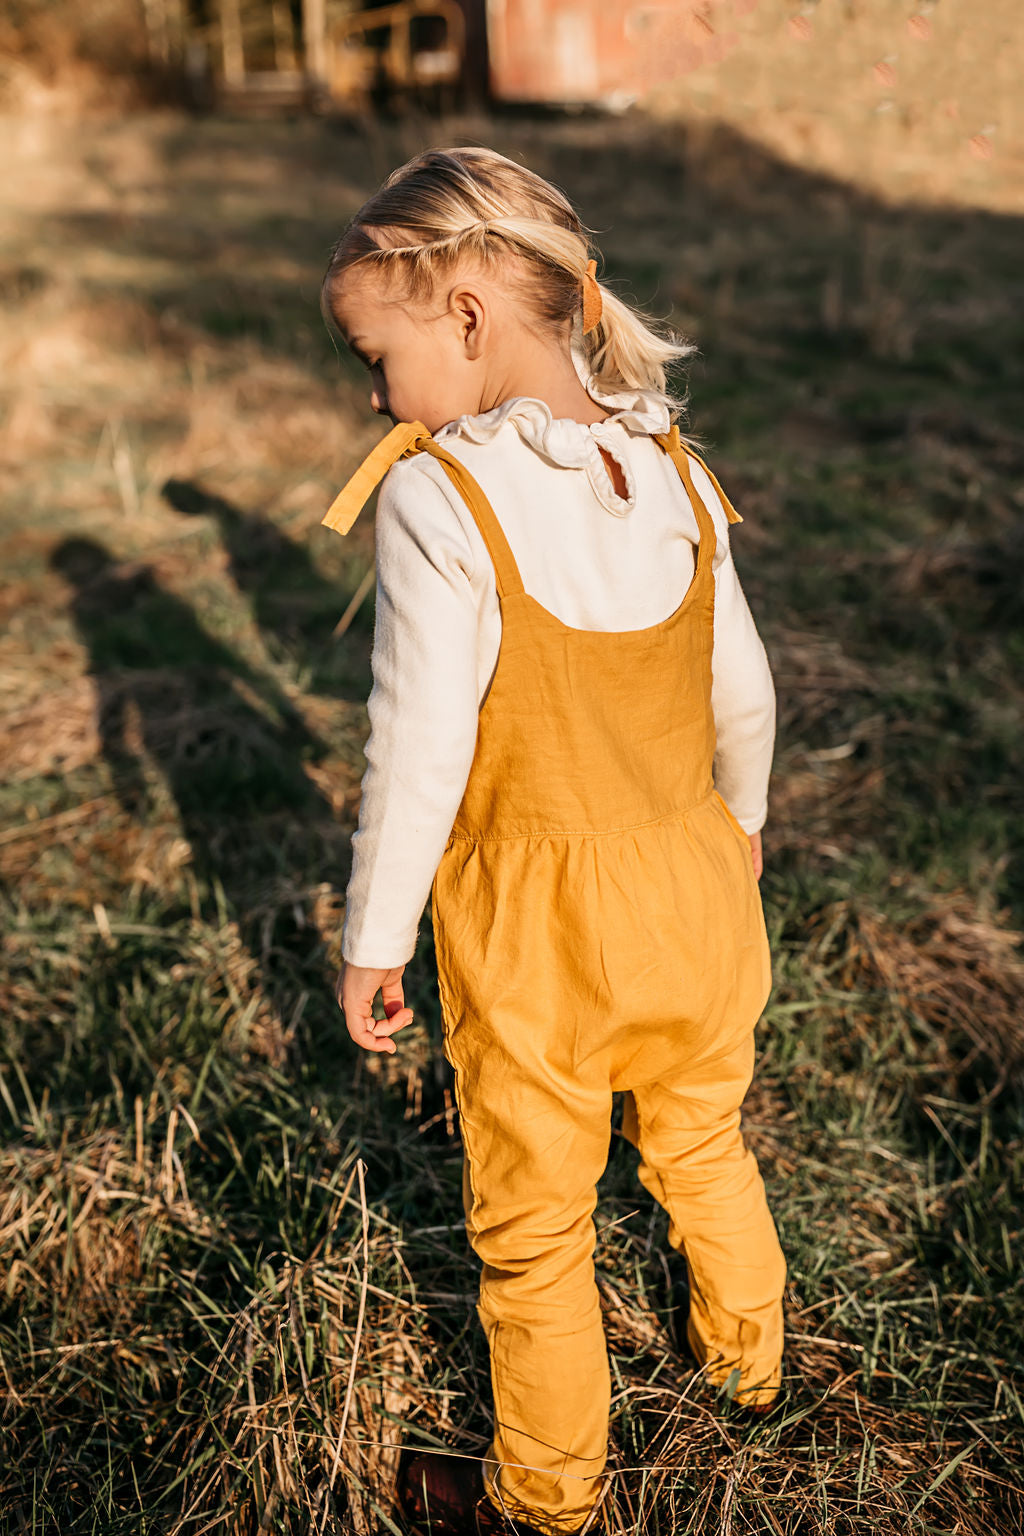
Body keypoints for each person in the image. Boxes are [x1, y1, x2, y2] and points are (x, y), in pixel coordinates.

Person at [319, 146, 787, 1536]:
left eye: (373, 356)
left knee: (535, 1230)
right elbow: (746, 692)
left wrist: (373, 942)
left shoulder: (439, 496)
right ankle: (752, 1368)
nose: (376, 395)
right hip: (702, 892)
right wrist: (744, 829)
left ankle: (547, 1490)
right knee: (705, 1145)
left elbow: (417, 753)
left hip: (542, 938)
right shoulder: (679, 469)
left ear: (463, 317)